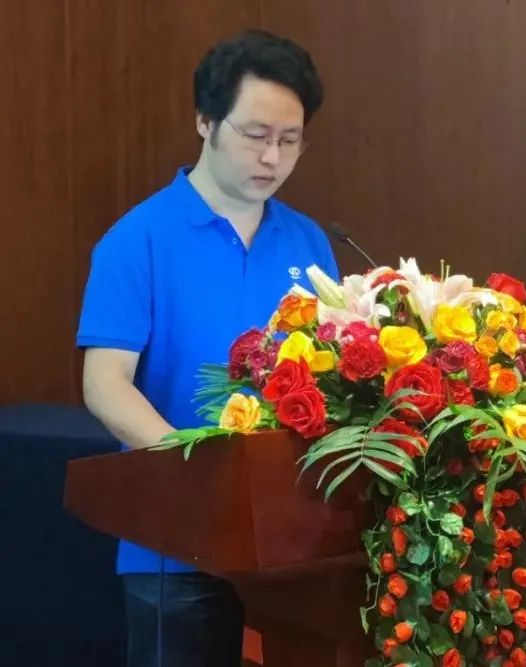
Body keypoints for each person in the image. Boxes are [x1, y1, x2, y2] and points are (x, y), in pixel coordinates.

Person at [77, 29, 340, 666]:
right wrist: (197, 471)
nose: (272, 158)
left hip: (294, 543)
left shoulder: (309, 243)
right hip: (175, 544)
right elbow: (105, 384)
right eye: (255, 135)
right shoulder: (137, 240)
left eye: (290, 140)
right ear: (205, 121)